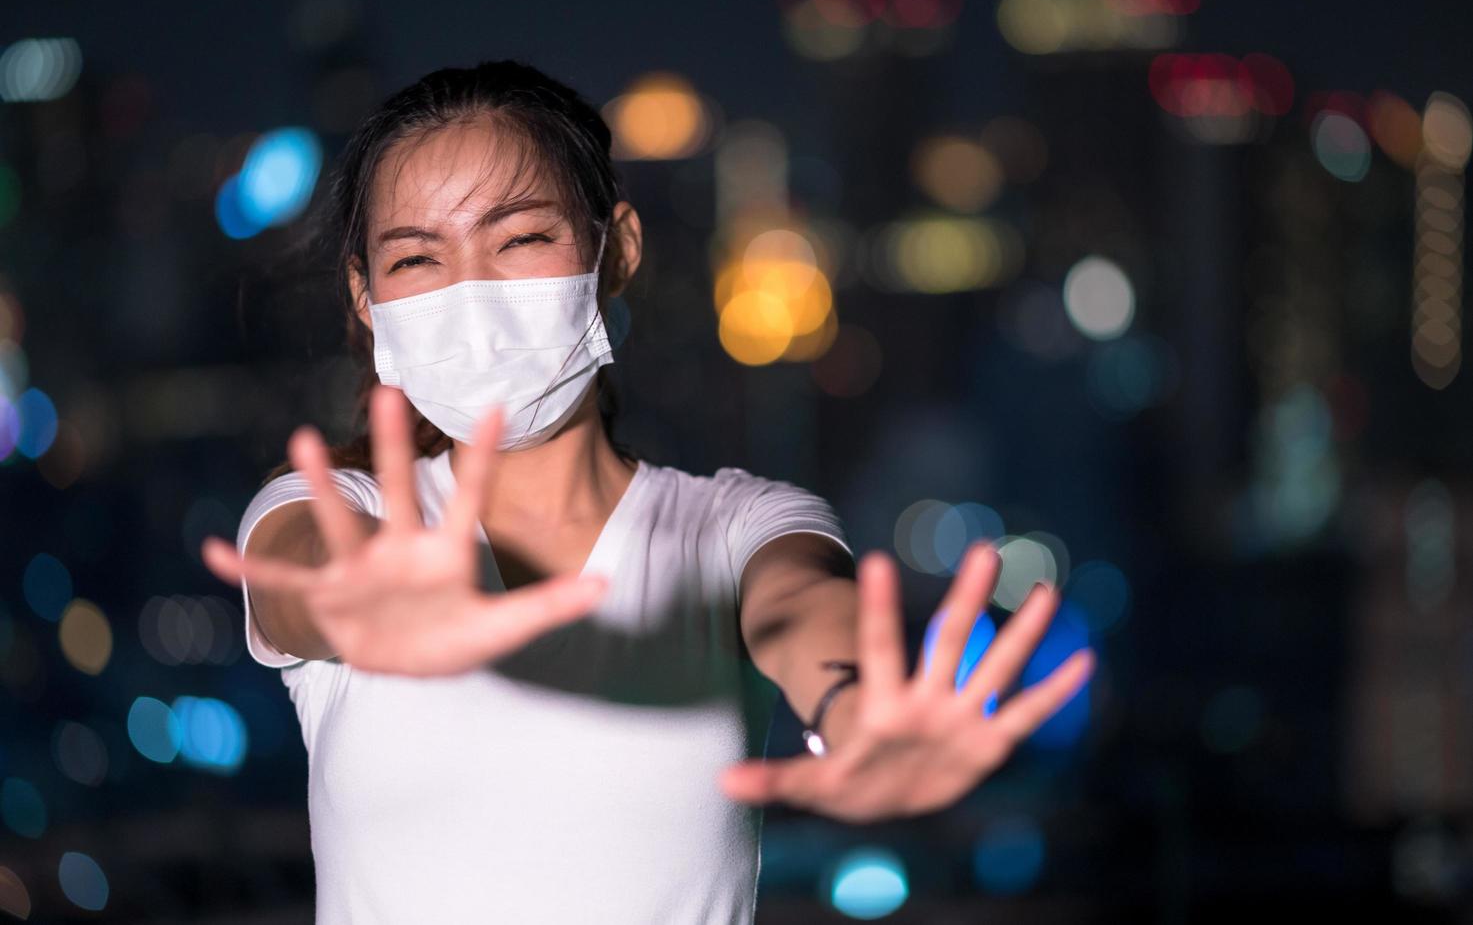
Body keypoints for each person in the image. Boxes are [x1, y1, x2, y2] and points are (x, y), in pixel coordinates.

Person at [201, 59, 1095, 924]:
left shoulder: (740, 526)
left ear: (615, 247)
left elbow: (800, 610)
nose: (470, 297)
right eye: (416, 261)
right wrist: (356, 602)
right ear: (365, 299)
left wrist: (855, 708)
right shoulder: (332, 508)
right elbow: (299, 578)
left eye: (519, 239)